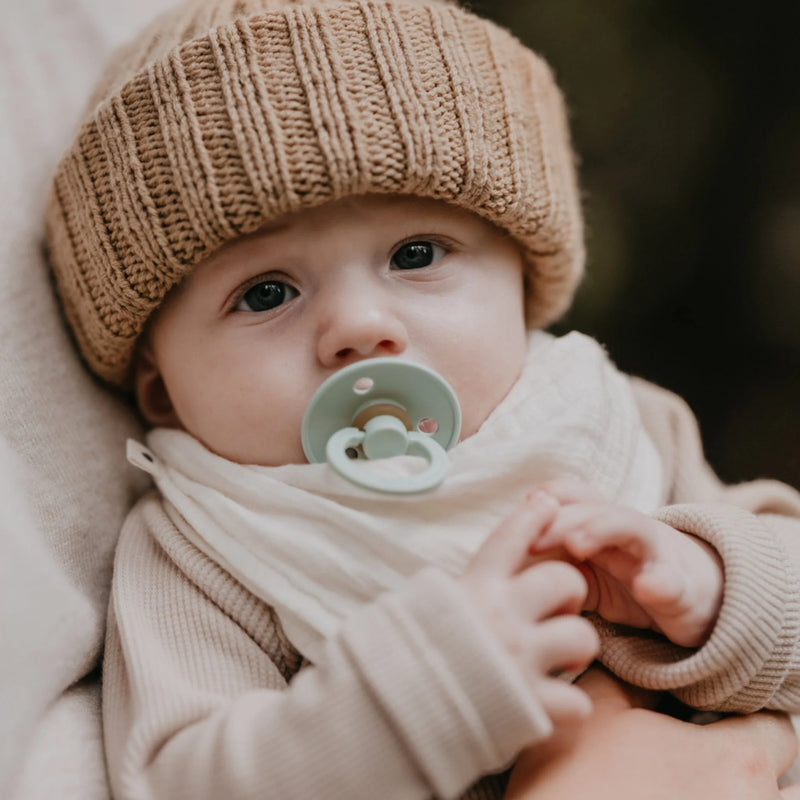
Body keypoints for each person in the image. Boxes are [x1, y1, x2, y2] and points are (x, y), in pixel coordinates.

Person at [43, 0, 800, 797]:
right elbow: (175, 783)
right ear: (162, 390)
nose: (360, 327)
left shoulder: (620, 423)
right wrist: (420, 696)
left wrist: (713, 587)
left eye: (415, 253)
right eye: (266, 292)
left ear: (523, 282)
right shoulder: (206, 548)